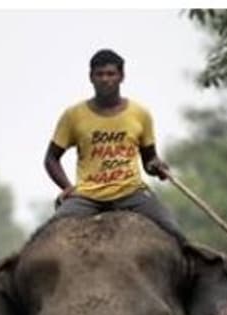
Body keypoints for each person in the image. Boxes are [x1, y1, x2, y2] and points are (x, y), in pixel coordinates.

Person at [42, 48, 184, 241]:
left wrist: (157, 167)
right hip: (87, 197)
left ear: (121, 76)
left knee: (172, 230)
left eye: (111, 74)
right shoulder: (73, 115)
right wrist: (67, 187)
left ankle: (194, 259)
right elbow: (51, 158)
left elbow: (149, 160)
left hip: (131, 193)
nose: (105, 79)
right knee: (49, 235)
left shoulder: (140, 114)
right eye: (99, 74)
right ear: (91, 77)